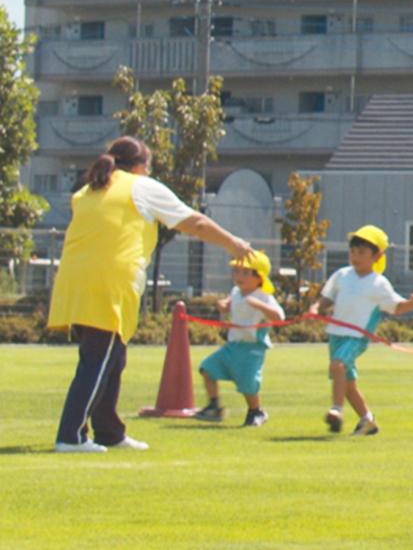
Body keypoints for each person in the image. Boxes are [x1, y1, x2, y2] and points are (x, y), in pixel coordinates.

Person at [47, 136, 253, 453]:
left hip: (75, 278)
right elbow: (194, 222)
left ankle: (109, 432)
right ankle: (70, 436)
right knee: (97, 360)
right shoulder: (141, 186)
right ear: (142, 166)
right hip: (109, 280)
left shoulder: (90, 188)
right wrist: (233, 243)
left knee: (112, 358)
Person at [311, 225, 413, 436]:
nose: (355, 257)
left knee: (337, 365)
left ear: (377, 256)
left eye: (362, 252)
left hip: (357, 337)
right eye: (353, 252)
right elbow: (327, 298)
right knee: (347, 384)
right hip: (336, 334)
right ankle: (367, 420)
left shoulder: (379, 284)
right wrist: (315, 308)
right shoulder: (341, 275)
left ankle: (336, 410)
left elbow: (397, 307)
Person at [194, 251, 284, 427]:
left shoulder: (263, 296)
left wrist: (260, 305)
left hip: (252, 348)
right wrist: (224, 305)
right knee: (207, 369)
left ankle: (256, 411)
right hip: (233, 345)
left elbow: (279, 317)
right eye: (236, 271)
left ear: (259, 277)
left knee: (248, 383)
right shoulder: (236, 291)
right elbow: (229, 303)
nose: (238, 276)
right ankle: (214, 406)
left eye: (245, 272)